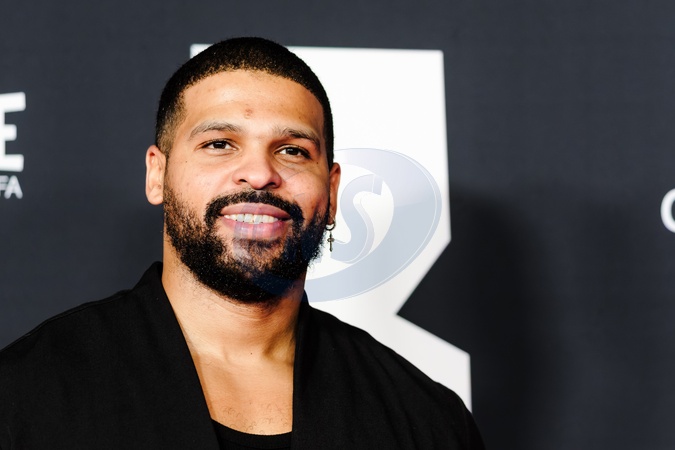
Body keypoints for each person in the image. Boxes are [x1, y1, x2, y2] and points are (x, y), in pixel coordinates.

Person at [0, 37, 484, 449]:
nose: (259, 173)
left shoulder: (426, 421)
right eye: (219, 144)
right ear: (157, 174)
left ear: (333, 192)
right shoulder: (26, 393)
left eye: (292, 150)